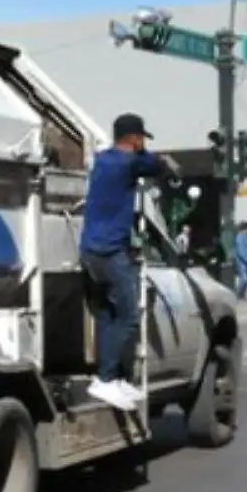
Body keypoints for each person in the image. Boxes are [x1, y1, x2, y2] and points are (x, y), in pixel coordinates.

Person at [78, 113, 174, 411]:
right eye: (141, 137)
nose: (143, 142)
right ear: (134, 138)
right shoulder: (130, 162)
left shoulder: (103, 159)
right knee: (130, 317)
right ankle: (106, 379)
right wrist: (166, 163)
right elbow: (157, 166)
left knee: (109, 314)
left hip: (91, 252)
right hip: (111, 252)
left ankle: (114, 378)